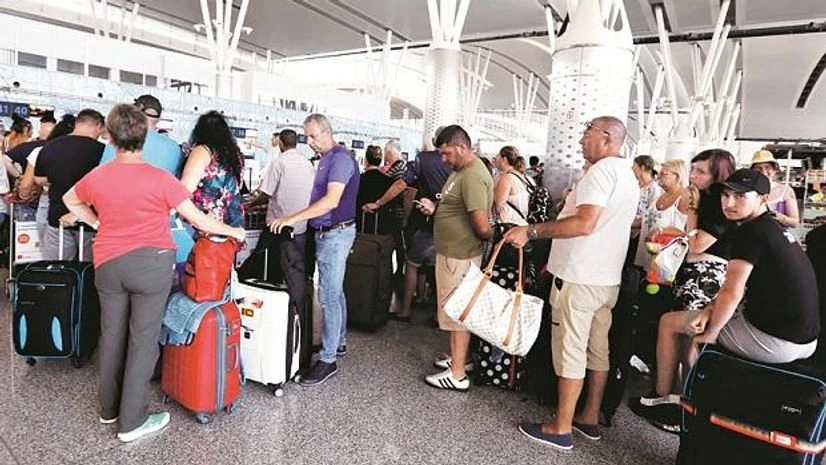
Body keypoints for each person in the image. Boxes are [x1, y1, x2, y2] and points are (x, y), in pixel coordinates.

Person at [62, 103, 246, 443]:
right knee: (143, 339)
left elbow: (70, 199)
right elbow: (199, 220)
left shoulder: (98, 176)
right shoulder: (160, 179)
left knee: (112, 334)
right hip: (151, 264)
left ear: (110, 136)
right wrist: (234, 232)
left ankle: (109, 410)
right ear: (144, 136)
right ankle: (132, 422)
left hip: (108, 262)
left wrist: (96, 221)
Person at [505, 116, 639, 451]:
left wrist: (532, 231)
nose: (581, 140)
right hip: (606, 279)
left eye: (587, 133)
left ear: (607, 138)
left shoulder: (601, 172)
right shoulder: (627, 174)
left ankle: (559, 427)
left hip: (580, 278)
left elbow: (583, 223)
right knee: (598, 350)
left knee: (570, 350)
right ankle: (588, 417)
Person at [630, 149, 737, 430]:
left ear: (717, 173)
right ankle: (678, 401)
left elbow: (698, 242)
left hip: (704, 274)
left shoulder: (716, 200)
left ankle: (665, 398)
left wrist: (691, 209)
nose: (694, 176)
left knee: (675, 330)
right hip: (700, 273)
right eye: (694, 170)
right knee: (687, 341)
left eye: (701, 171)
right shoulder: (716, 199)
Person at [686, 169, 819, 364]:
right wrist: (709, 310)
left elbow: (732, 292)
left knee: (672, 324)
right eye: (725, 195)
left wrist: (711, 335)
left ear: (764, 199)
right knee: (704, 316)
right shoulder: (772, 227)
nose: (729, 203)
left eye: (740, 196)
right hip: (806, 339)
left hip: (778, 341)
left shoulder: (751, 232)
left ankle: (674, 392)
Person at [269, 113, 360, 387]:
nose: (308, 142)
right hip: (326, 233)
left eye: (312, 136)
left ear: (327, 132)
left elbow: (331, 201)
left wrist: (292, 218)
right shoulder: (324, 160)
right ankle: (338, 341)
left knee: (328, 296)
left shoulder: (340, 159)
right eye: (306, 137)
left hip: (336, 233)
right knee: (335, 291)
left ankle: (328, 359)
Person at [418, 124, 493, 391]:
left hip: (458, 256)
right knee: (456, 312)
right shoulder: (462, 171)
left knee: (456, 313)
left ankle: (457, 374)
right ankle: (460, 359)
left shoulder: (472, 175)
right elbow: (458, 208)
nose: (443, 159)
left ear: (462, 147)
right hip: (454, 253)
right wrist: (436, 209)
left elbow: (481, 225)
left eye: (446, 153)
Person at [362, 132, 452, 324]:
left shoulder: (424, 160)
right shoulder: (461, 163)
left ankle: (405, 310)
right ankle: (438, 314)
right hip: (451, 225)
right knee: (440, 269)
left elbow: (403, 186)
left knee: (412, 264)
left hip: (427, 223)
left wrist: (379, 202)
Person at [34, 109, 105, 261]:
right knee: (88, 272)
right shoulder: (103, 152)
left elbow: (39, 179)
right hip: (90, 221)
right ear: (98, 126)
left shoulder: (50, 147)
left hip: (57, 219)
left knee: (58, 273)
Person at [243, 129, 314, 273]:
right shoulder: (307, 163)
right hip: (300, 226)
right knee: (296, 270)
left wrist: (250, 205)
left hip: (278, 226)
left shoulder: (279, 162)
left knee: (272, 267)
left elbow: (266, 194)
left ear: (280, 143)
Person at [181, 111, 245, 228]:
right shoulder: (236, 156)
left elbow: (184, 191)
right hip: (232, 223)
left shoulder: (203, 151)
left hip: (206, 225)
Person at [100, 95, 184, 177]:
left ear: (135, 114)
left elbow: (103, 173)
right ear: (158, 119)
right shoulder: (175, 148)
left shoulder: (120, 140)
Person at [633, 159, 690, 270]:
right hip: (647, 255)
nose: (659, 177)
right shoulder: (659, 197)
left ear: (677, 177)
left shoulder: (684, 199)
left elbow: (687, 232)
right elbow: (646, 220)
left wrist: (660, 231)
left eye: (664, 174)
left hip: (665, 261)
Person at [749, 149, 799, 228]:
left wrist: (780, 218)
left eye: (767, 167)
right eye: (759, 168)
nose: (764, 172)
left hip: (777, 235)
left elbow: (794, 223)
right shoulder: (748, 190)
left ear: (774, 169)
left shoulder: (785, 190)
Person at [356, 145, 394, 234]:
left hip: (360, 226)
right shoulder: (389, 182)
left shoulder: (358, 179)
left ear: (366, 160)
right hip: (382, 228)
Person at [492, 146, 532, 225]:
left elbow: (498, 207)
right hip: (523, 224)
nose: (495, 160)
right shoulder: (527, 178)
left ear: (504, 159)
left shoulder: (506, 178)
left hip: (510, 225)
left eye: (497, 157)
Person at [630, 155, 662, 244]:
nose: (632, 169)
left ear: (642, 168)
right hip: (629, 229)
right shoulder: (636, 185)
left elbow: (651, 212)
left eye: (634, 167)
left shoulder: (653, 188)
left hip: (639, 232)